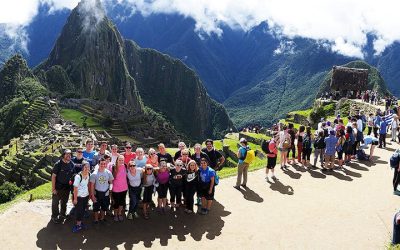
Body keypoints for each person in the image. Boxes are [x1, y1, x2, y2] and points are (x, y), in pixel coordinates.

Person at [51, 149, 75, 224]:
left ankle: (62, 214)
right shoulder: (58, 164)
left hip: (67, 188)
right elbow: (53, 176)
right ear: (63, 155)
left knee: (64, 202)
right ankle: (54, 216)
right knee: (55, 203)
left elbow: (73, 176)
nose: (69, 155)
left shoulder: (72, 164)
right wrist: (53, 188)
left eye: (70, 154)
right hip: (58, 187)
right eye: (67, 154)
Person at [89, 157, 114, 223]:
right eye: (101, 164)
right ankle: (96, 219)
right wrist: (92, 196)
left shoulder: (108, 173)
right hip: (97, 193)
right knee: (96, 208)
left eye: (104, 164)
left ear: (106, 164)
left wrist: (110, 191)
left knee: (104, 207)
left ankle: (102, 218)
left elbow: (111, 183)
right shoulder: (94, 174)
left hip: (106, 193)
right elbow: (92, 186)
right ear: (98, 164)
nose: (103, 165)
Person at [72, 161, 90, 233]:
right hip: (78, 197)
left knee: (83, 210)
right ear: (82, 167)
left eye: (88, 167)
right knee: (79, 211)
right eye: (85, 167)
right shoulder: (78, 176)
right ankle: (78, 225)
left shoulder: (88, 174)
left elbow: (88, 185)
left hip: (85, 196)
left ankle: (80, 223)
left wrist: (88, 196)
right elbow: (75, 188)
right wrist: (75, 199)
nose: (87, 168)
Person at [111, 155, 128, 222]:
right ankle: (115, 214)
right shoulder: (114, 167)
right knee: (116, 202)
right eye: (120, 160)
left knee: (122, 202)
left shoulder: (125, 166)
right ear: (117, 160)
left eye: (122, 160)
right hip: (116, 188)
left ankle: (119, 213)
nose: (121, 161)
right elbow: (111, 177)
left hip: (124, 188)